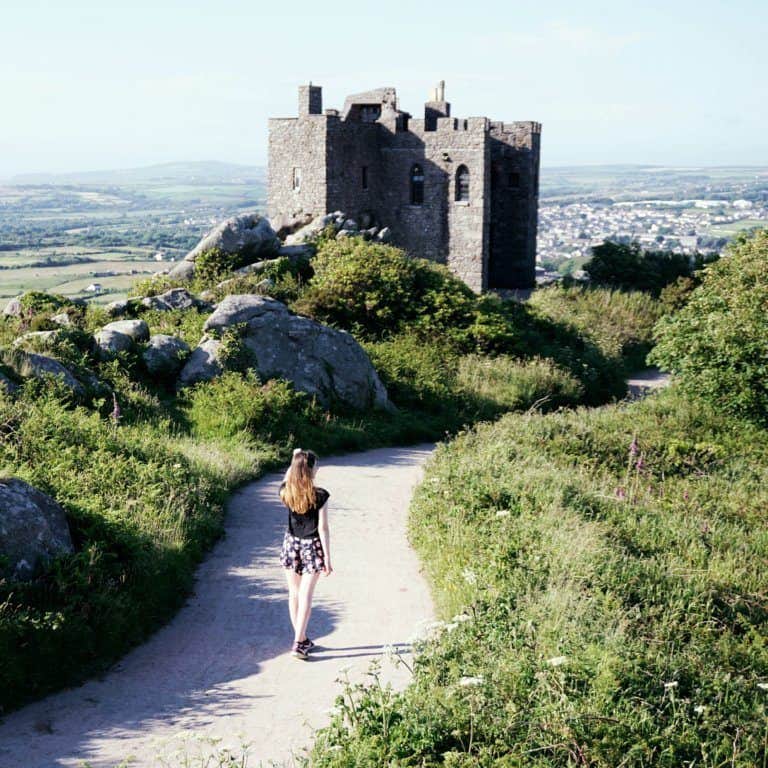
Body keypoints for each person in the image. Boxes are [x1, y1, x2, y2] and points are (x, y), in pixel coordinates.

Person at [279, 448, 332, 659]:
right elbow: (323, 529)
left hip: (291, 544)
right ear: (310, 470)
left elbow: (287, 478)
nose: (318, 468)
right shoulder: (320, 495)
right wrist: (327, 557)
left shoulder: (287, 491)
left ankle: (301, 639)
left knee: (294, 593)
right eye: (316, 466)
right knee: (306, 595)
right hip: (312, 546)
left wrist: (294, 458)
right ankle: (298, 643)